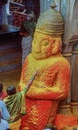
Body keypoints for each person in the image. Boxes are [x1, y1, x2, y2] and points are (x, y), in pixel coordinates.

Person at [19, 1, 71, 130]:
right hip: (27, 102)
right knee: (24, 125)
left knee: (40, 126)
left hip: (45, 105)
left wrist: (36, 92)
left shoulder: (61, 63)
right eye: (36, 40)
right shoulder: (30, 58)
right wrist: (23, 89)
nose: (37, 47)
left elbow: (62, 92)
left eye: (45, 43)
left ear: (55, 44)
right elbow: (21, 82)